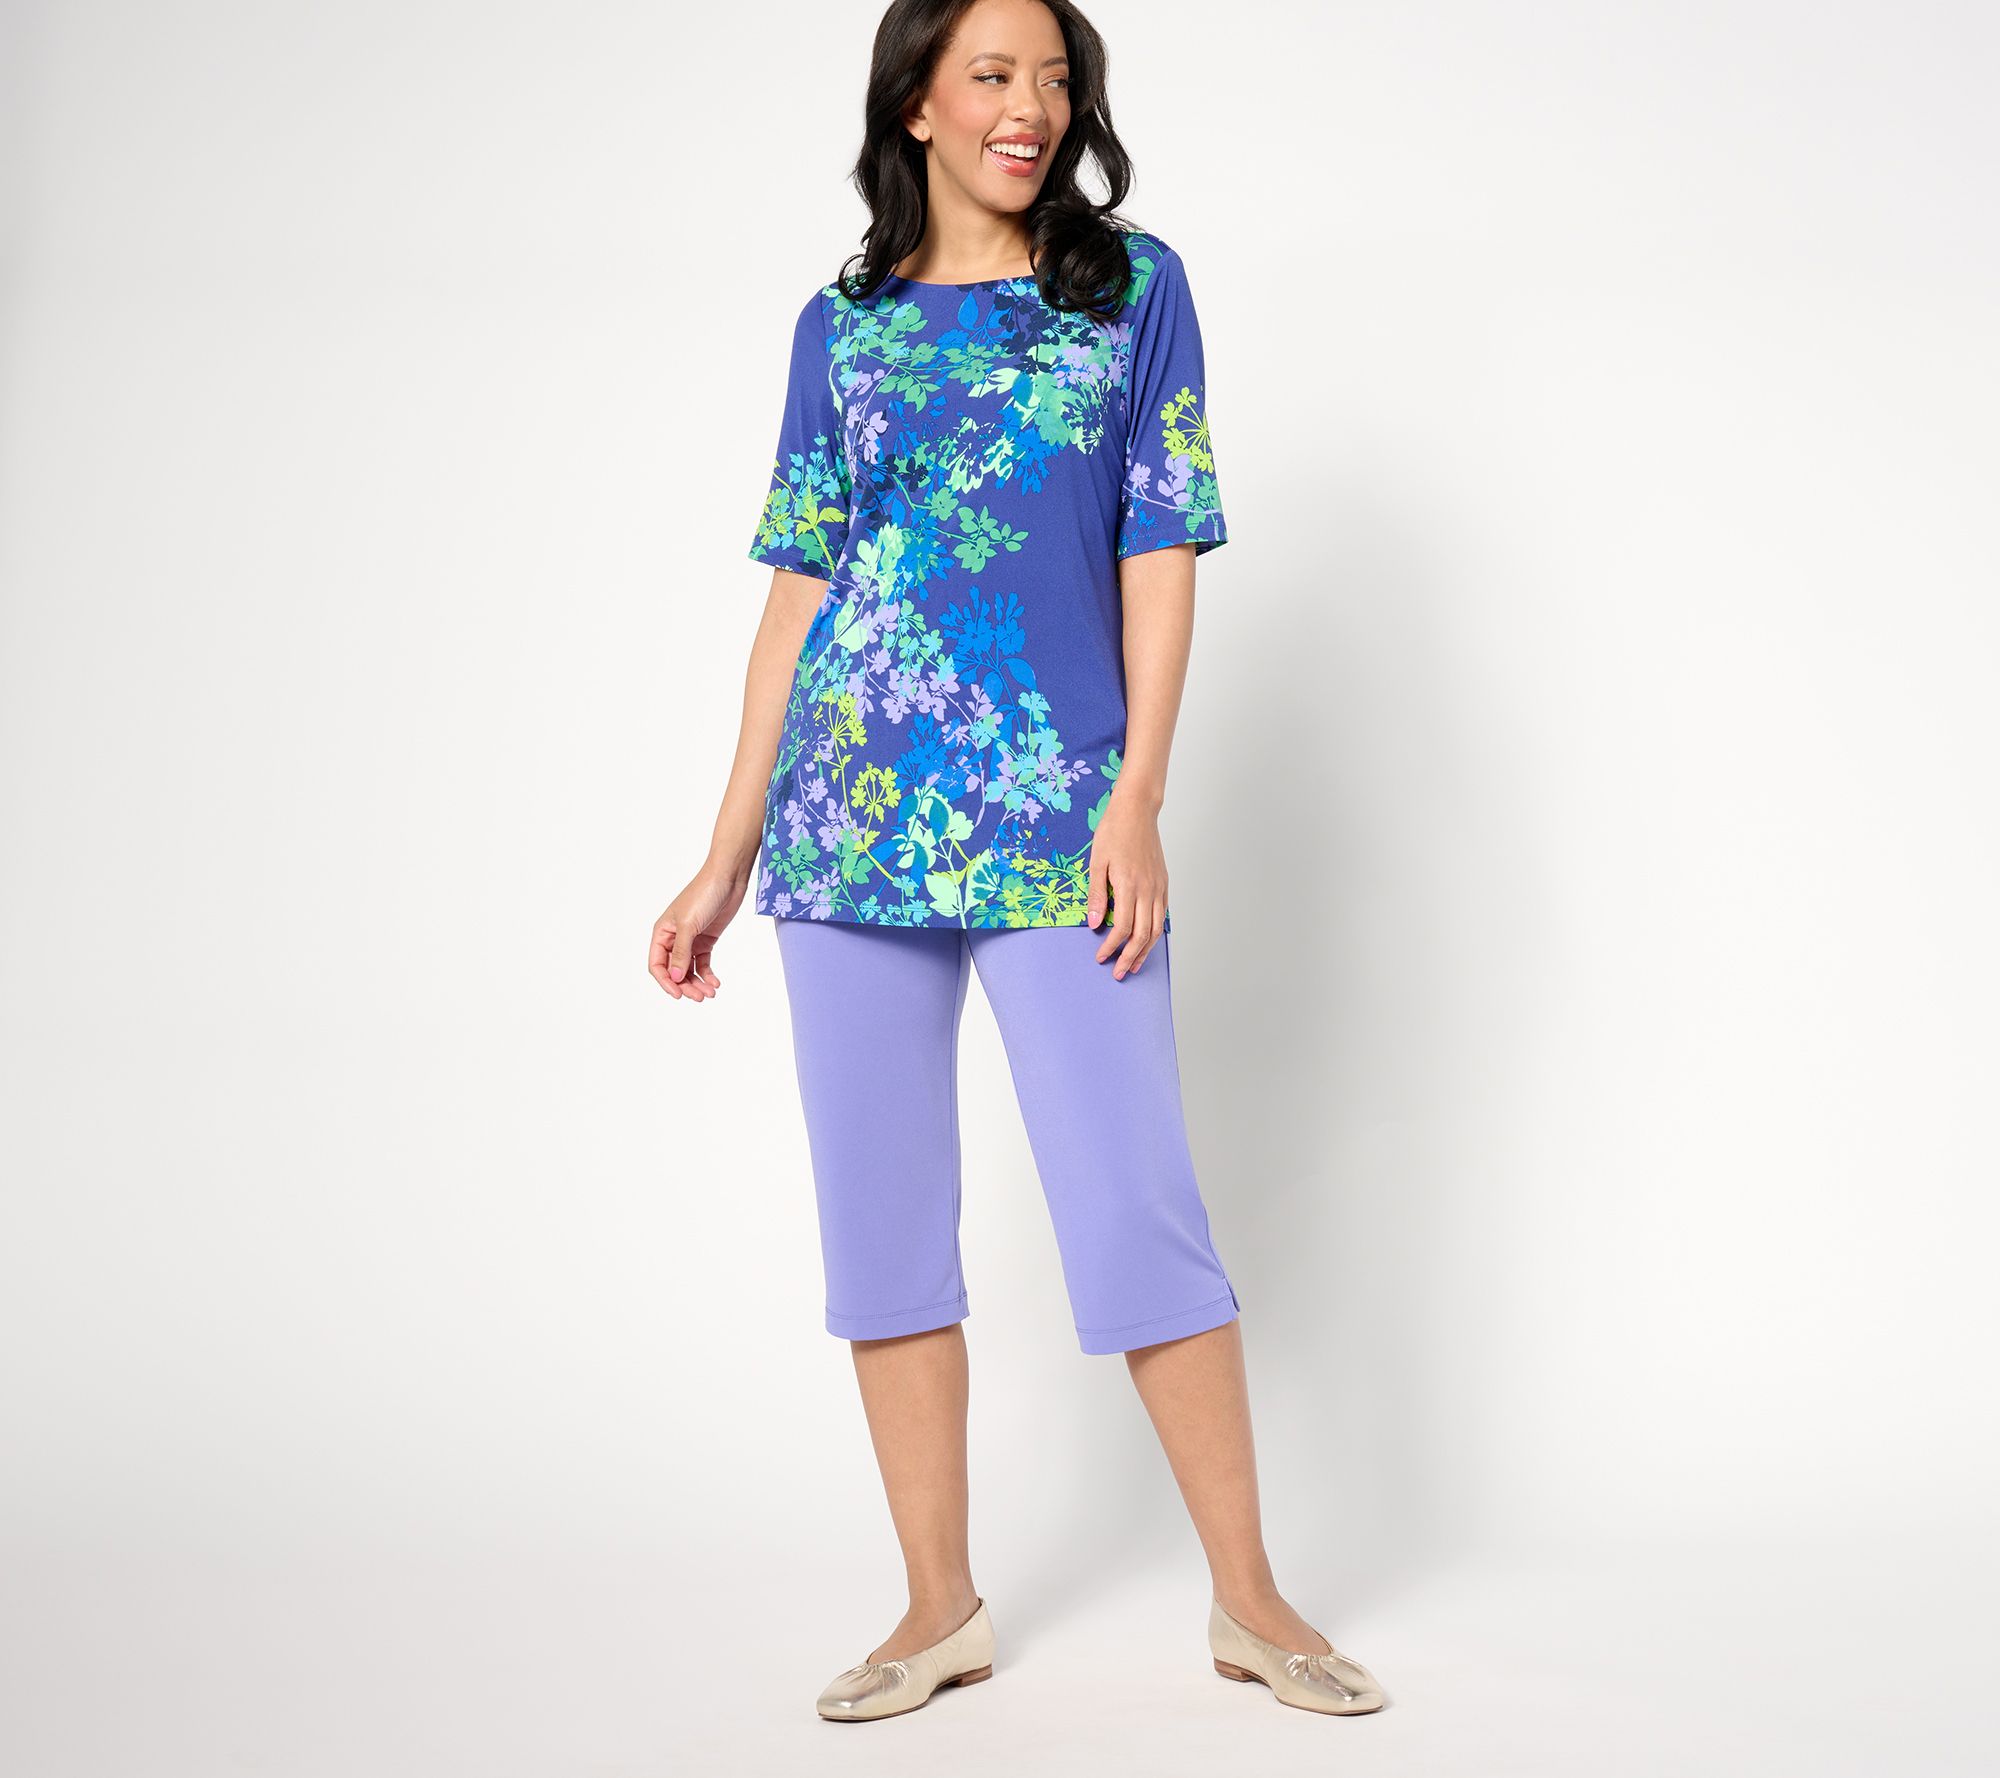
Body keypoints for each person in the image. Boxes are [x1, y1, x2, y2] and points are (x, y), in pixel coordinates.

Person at [648, 0, 1387, 1724]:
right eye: (993, 74)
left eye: (1055, 79)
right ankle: (939, 1607)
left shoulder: (1131, 293)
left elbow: (1159, 543)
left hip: (1063, 819)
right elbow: (800, 592)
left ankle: (1251, 1598)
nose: (1031, 108)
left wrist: (1136, 799)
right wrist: (722, 853)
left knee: (1135, 1202)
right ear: (915, 101)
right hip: (848, 827)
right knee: (882, 1223)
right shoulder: (838, 328)